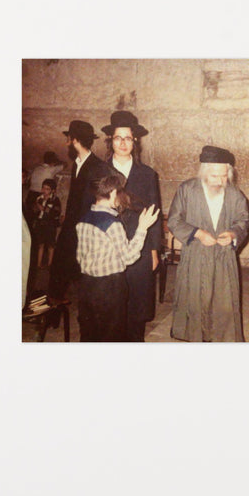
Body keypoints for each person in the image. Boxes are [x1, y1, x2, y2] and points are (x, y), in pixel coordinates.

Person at [167, 146, 249, 342]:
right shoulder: (187, 189)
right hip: (195, 255)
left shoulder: (234, 193)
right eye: (214, 176)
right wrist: (196, 232)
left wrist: (232, 234)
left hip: (223, 257)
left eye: (224, 176)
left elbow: (243, 220)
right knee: (195, 301)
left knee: (222, 304)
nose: (219, 181)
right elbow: (174, 220)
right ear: (204, 173)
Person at [74, 172, 160, 343]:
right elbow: (128, 257)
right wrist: (142, 228)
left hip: (87, 285)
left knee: (90, 331)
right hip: (110, 287)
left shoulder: (83, 219)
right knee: (112, 332)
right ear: (113, 193)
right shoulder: (112, 224)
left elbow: (80, 256)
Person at [100, 110, 162, 342]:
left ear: (135, 141)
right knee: (111, 302)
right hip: (109, 247)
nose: (123, 143)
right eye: (118, 138)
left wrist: (154, 250)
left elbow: (154, 211)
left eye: (127, 138)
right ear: (111, 141)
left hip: (140, 245)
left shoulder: (147, 174)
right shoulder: (99, 171)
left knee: (137, 303)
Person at [50, 121, 108, 305]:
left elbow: (97, 200)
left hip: (86, 227)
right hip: (72, 224)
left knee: (82, 272)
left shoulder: (97, 166)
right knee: (59, 266)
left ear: (74, 140)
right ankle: (54, 308)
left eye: (68, 137)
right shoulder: (77, 163)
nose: (66, 141)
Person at [30, 179, 61, 269]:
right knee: (40, 244)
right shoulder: (39, 198)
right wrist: (36, 207)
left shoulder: (55, 200)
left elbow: (55, 212)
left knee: (51, 245)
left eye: (47, 189)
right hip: (40, 224)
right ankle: (38, 264)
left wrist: (43, 208)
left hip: (50, 225)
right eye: (43, 188)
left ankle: (50, 264)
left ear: (52, 190)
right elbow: (34, 211)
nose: (44, 190)